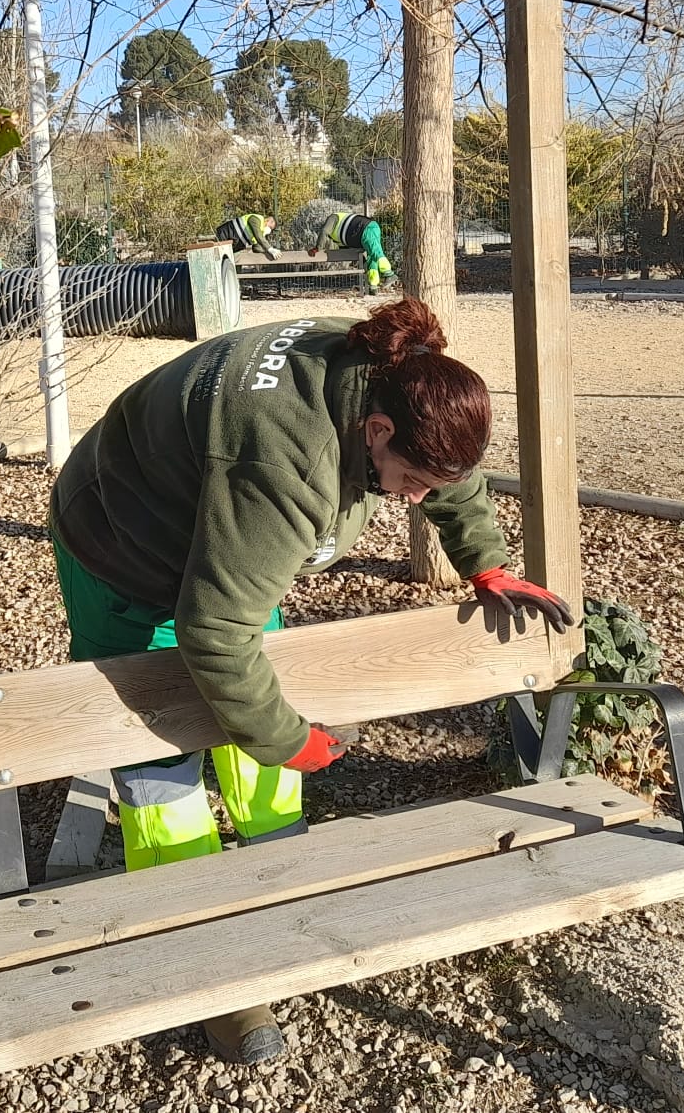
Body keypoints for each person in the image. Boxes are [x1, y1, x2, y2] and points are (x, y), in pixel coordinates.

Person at [49, 297, 575, 1065]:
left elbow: (450, 475)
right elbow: (215, 635)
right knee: (165, 766)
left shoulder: (400, 379)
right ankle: (207, 972)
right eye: (409, 480)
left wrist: (484, 560)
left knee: (261, 728)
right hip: (122, 544)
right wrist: (290, 741)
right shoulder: (281, 459)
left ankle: (276, 891)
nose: (415, 498)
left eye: (424, 487)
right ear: (377, 432)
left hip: (220, 541)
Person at [316, 210, 393, 291]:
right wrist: (362, 262)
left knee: (375, 252)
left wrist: (317, 248)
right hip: (363, 232)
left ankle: (389, 273)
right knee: (372, 257)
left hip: (365, 228)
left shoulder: (333, 218)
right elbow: (348, 250)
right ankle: (373, 286)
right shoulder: (337, 238)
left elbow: (324, 231)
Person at [215, 210, 281, 261]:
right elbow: (257, 234)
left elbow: (256, 248)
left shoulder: (261, 232)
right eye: (270, 227)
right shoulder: (256, 219)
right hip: (228, 232)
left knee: (222, 258)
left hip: (234, 245)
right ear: (268, 220)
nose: (269, 230)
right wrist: (270, 249)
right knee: (215, 251)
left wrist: (267, 251)